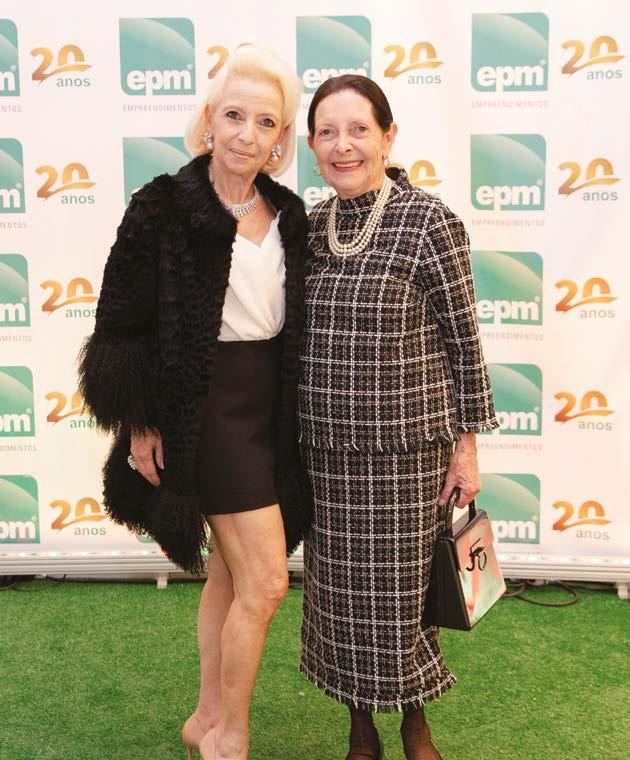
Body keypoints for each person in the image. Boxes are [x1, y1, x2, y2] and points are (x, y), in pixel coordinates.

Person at [78, 45, 311, 760]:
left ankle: (206, 719)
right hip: (203, 411)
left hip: (270, 411)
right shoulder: (162, 205)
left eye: (265, 122)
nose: (247, 134)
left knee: (232, 575)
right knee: (267, 582)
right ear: (209, 118)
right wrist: (139, 422)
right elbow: (120, 327)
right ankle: (229, 739)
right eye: (234, 115)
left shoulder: (289, 212)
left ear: (280, 138)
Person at [298, 74, 498, 760]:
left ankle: (415, 723)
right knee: (339, 603)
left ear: (388, 136)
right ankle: (361, 728)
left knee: (404, 600)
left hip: (408, 456)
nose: (343, 145)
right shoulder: (309, 229)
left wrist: (466, 448)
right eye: (328, 132)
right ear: (312, 146)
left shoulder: (429, 221)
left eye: (359, 129)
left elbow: (464, 341)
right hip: (326, 454)